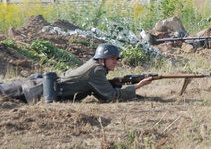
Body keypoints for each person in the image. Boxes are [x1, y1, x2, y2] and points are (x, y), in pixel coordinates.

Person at [0, 43, 154, 103]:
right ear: (102, 59)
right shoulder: (96, 70)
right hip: (37, 91)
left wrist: (119, 82)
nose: (116, 61)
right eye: (112, 58)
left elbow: (99, 91)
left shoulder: (95, 66)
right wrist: (137, 86)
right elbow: (111, 96)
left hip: (38, 87)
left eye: (116, 59)